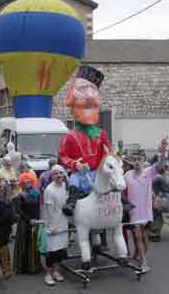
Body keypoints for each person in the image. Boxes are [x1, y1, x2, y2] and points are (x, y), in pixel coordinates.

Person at [59, 65, 111, 216]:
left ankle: (121, 203)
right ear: (71, 99)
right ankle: (72, 202)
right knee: (74, 181)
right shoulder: (70, 136)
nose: (88, 97)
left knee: (113, 181)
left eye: (93, 91)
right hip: (80, 174)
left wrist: (110, 160)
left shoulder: (101, 134)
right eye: (82, 90)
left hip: (98, 174)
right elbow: (63, 156)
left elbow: (107, 154)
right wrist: (75, 164)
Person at [124, 155, 153, 272]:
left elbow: (160, 164)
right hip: (134, 212)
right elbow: (119, 185)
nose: (136, 162)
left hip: (146, 212)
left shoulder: (148, 173)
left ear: (142, 161)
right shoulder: (127, 175)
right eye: (134, 160)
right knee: (137, 236)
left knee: (145, 237)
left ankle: (140, 255)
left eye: (139, 159)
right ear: (132, 162)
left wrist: (163, 152)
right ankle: (144, 262)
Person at [43, 165, 69, 286]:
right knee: (52, 252)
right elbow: (48, 211)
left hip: (63, 223)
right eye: (55, 174)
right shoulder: (49, 190)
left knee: (61, 251)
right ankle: (48, 274)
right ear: (52, 176)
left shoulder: (65, 186)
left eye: (60, 173)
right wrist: (50, 226)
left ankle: (56, 271)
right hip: (53, 225)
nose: (59, 175)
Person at [13, 172, 42, 274]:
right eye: (25, 182)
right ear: (22, 184)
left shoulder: (37, 194)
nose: (27, 183)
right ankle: (23, 268)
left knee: (34, 244)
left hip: (35, 222)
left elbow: (39, 208)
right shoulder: (19, 196)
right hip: (24, 223)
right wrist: (29, 220)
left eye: (29, 181)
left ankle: (35, 267)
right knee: (24, 245)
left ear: (32, 182)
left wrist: (38, 219)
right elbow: (19, 211)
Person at [148, 162, 169, 242]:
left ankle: (152, 233)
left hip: (153, 198)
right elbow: (166, 188)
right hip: (157, 199)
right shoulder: (160, 177)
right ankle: (155, 234)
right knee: (157, 217)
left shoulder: (154, 176)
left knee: (155, 216)